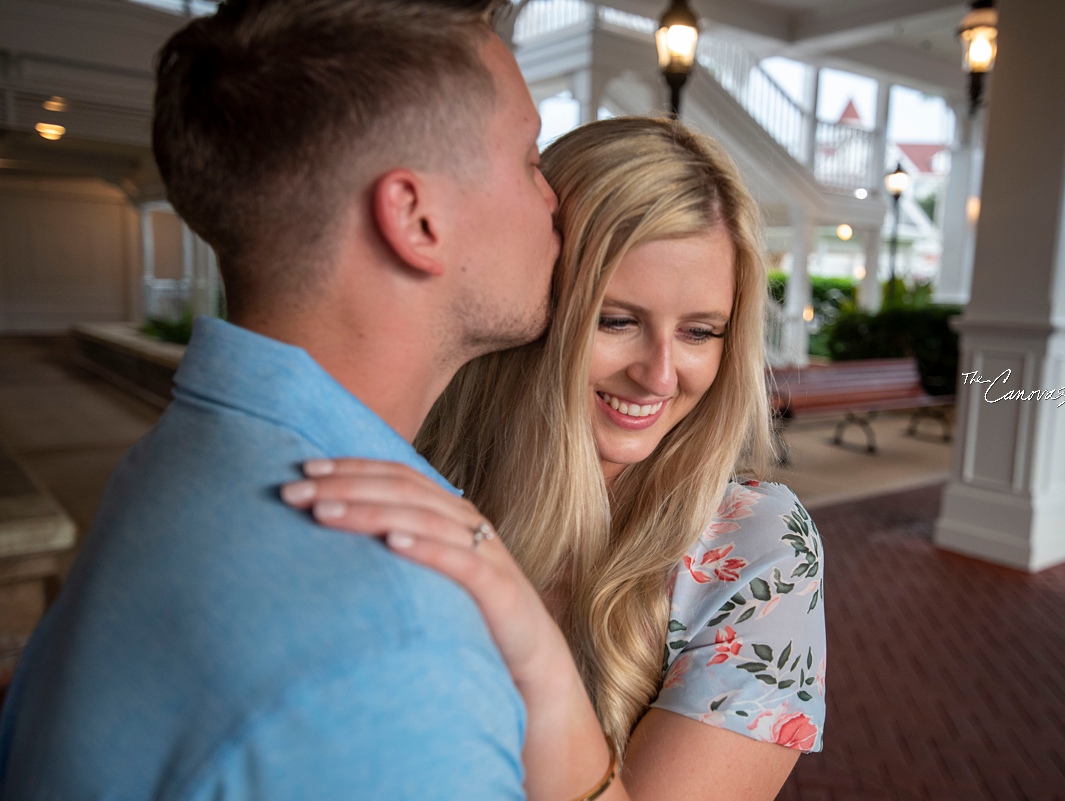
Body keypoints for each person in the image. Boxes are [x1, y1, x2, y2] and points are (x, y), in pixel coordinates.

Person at [0, 1, 590, 798]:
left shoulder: (176, 459)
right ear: (417, 219)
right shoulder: (396, 648)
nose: (553, 197)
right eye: (528, 157)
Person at [282, 117, 828, 799]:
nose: (660, 375)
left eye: (699, 331)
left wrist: (532, 645)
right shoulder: (423, 476)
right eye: (617, 320)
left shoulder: (758, 543)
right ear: (537, 307)